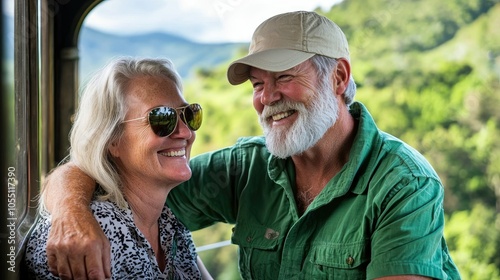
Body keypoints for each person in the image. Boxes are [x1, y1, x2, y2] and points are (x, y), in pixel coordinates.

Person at [41, 11, 461, 280]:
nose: (268, 97)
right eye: (259, 84)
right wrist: (72, 214)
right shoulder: (246, 168)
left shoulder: (404, 184)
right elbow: (108, 175)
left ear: (337, 78)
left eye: (284, 77)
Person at [24, 57, 212, 279]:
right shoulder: (89, 233)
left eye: (189, 114)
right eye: (162, 118)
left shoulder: (169, 226)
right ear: (113, 140)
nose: (185, 132)